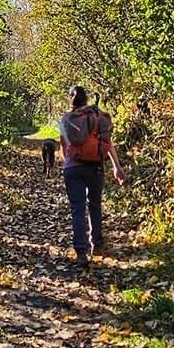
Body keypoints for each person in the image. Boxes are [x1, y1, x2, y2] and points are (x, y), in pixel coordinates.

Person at [59, 85, 122, 268]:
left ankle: (81, 252)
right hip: (95, 167)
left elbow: (63, 145)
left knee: (77, 209)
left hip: (73, 168)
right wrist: (117, 167)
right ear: (86, 99)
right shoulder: (98, 116)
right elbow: (108, 144)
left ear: (71, 98)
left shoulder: (67, 119)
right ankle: (97, 244)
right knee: (94, 205)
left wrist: (67, 161)